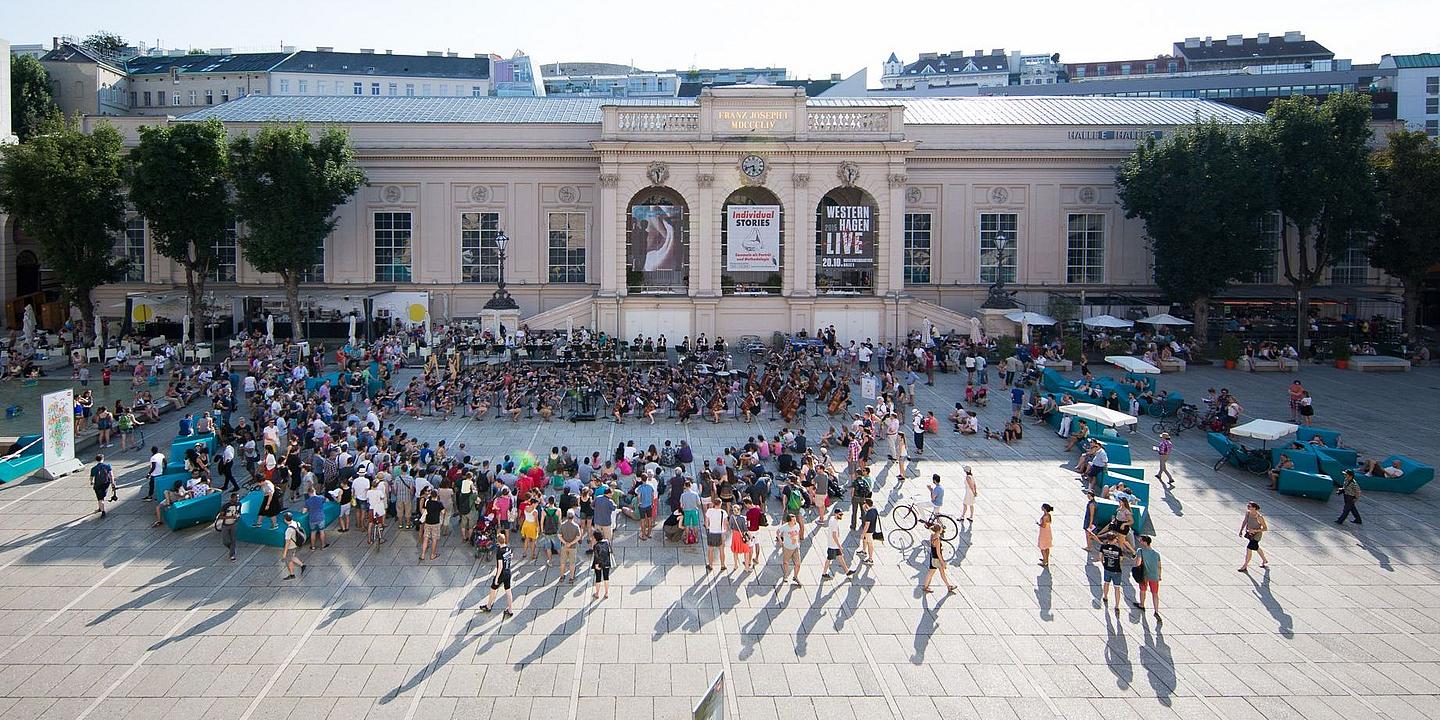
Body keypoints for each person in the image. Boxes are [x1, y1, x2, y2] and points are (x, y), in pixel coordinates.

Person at [478, 533, 515, 618]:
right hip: (508, 572)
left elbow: (500, 566)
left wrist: (497, 578)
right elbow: (511, 557)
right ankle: (510, 610)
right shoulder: (509, 549)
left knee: (493, 589)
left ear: (498, 542)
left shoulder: (499, 552)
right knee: (508, 591)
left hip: (501, 573)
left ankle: (488, 606)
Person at [1096, 530, 1131, 611]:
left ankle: (1105, 596)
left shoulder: (1103, 547)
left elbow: (1100, 557)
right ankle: (1117, 605)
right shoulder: (1118, 549)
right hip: (1116, 570)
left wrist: (1103, 564)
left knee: (1106, 583)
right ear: (1114, 539)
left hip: (1107, 569)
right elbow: (1121, 559)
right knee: (1117, 588)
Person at [820, 508, 856, 580]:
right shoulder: (834, 522)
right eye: (840, 514)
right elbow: (834, 535)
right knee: (829, 558)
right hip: (833, 545)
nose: (841, 516)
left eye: (841, 514)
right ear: (836, 514)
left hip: (834, 545)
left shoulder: (832, 518)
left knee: (840, 557)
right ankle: (824, 573)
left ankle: (847, 571)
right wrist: (839, 545)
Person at [920, 521, 955, 594]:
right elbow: (938, 552)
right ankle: (949, 586)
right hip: (937, 559)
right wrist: (943, 562)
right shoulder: (937, 539)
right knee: (941, 573)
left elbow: (931, 545)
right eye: (941, 528)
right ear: (939, 530)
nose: (942, 529)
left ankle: (926, 587)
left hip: (932, 556)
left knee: (931, 573)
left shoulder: (932, 535)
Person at [1133, 535, 1162, 622]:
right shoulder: (1156, 554)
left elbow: (1138, 564)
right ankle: (1156, 611)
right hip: (1154, 576)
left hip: (1144, 576)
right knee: (1155, 594)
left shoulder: (1140, 551)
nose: (1140, 542)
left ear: (1145, 542)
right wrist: (1159, 575)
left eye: (1141, 541)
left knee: (1143, 591)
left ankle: (1142, 605)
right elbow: (1159, 566)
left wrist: (1134, 561)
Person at [1238, 502, 1269, 572]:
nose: (1248, 507)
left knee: (1249, 548)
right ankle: (1264, 560)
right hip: (1250, 534)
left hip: (1256, 535)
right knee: (1256, 547)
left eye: (1249, 506)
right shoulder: (1248, 513)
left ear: (1254, 508)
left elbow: (1265, 528)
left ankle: (1245, 566)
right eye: (1247, 506)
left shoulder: (1259, 517)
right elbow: (1245, 521)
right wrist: (1241, 530)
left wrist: (1255, 530)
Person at [776, 513, 803, 587]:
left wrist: (798, 541)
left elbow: (797, 533)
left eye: (795, 519)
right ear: (789, 521)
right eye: (793, 520)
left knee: (798, 563)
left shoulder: (797, 525)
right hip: (787, 547)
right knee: (786, 562)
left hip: (796, 547)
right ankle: (785, 575)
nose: (795, 521)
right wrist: (780, 540)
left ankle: (795, 577)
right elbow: (778, 532)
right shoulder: (785, 527)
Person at [420, 488, 444, 561]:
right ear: (437, 495)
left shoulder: (428, 502)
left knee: (426, 538)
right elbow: (443, 512)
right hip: (435, 523)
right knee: (434, 539)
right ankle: (433, 554)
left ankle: (423, 554)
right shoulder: (439, 503)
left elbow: (424, 510)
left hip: (427, 522)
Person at [704, 498, 728, 571]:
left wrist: (708, 528)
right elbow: (725, 524)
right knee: (721, 550)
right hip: (720, 533)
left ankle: (710, 565)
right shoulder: (723, 512)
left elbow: (706, 522)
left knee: (710, 550)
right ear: (720, 504)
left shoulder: (709, 511)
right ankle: (722, 565)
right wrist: (725, 532)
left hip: (711, 532)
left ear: (714, 503)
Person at [281, 512, 306, 580]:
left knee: (289, 560)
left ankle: (292, 575)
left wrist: (284, 553)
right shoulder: (296, 523)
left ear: (285, 520)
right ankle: (302, 565)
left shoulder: (289, 530)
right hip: (296, 544)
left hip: (291, 546)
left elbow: (287, 543)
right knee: (292, 557)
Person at [559, 509, 582, 582]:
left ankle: (562, 576)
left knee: (563, 562)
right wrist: (571, 543)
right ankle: (571, 578)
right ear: (573, 516)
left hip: (564, 546)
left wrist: (565, 543)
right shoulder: (576, 526)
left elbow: (559, 535)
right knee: (572, 563)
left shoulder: (562, 525)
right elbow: (578, 537)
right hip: (573, 547)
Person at [91, 454, 116, 519]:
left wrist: (91, 482)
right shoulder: (108, 466)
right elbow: (111, 475)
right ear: (103, 459)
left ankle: (103, 511)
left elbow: (91, 477)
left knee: (100, 498)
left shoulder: (94, 468)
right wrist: (113, 483)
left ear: (96, 460)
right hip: (105, 484)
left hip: (97, 484)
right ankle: (101, 507)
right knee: (102, 496)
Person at [591, 529, 613, 600]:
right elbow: (610, 551)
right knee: (606, 578)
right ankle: (606, 593)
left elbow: (596, 556)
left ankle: (597, 593)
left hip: (598, 564)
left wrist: (597, 564)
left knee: (598, 578)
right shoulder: (607, 542)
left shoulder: (596, 546)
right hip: (606, 562)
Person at [219, 492, 241, 561]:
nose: (237, 499)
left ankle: (232, 554)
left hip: (234, 524)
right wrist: (231, 517)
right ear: (231, 498)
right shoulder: (226, 506)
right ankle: (231, 548)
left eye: (238, 497)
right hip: (226, 525)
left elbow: (239, 512)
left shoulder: (239, 504)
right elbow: (220, 516)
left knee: (233, 540)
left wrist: (238, 517)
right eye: (236, 498)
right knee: (225, 541)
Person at [857, 498, 879, 565]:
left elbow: (867, 525)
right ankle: (863, 551)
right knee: (865, 541)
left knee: (870, 544)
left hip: (868, 532)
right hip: (872, 529)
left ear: (866, 504)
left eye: (864, 503)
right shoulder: (874, 509)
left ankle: (870, 559)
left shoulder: (869, 514)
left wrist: (863, 534)